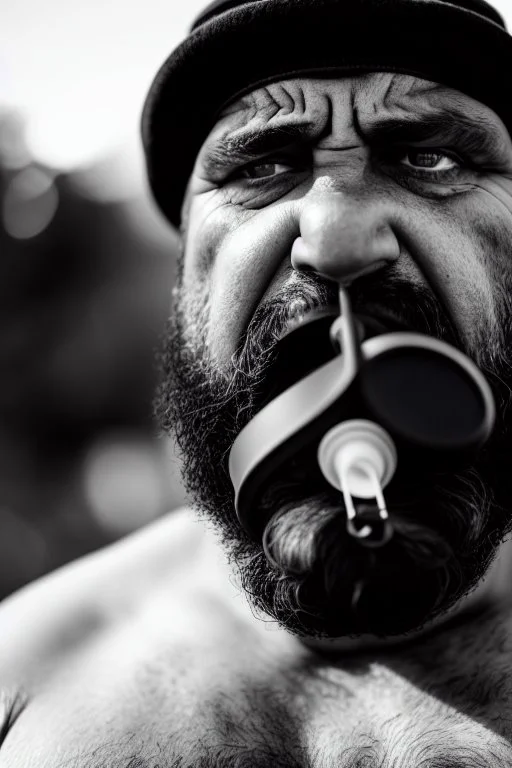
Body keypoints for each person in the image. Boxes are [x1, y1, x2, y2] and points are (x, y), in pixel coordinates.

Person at [2, 0, 512, 764]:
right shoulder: (19, 680)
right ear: (185, 271)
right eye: (262, 166)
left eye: (430, 159)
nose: (336, 238)